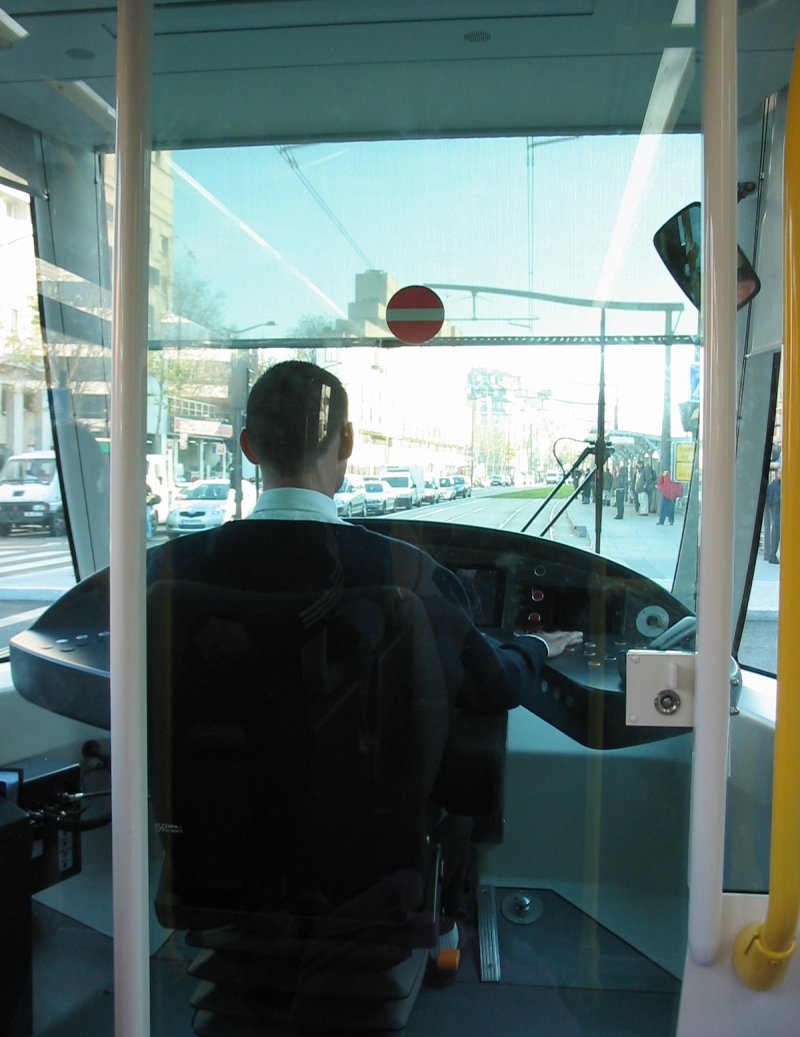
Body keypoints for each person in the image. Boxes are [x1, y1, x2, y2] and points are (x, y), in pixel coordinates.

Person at [147, 361, 581, 976]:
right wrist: (540, 647)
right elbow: (495, 684)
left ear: (247, 448)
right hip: (367, 867)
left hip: (217, 855)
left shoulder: (169, 570)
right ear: (347, 443)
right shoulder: (409, 573)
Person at [765, 467, 781, 563]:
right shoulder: (772, 486)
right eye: (780, 473)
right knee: (775, 533)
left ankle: (772, 554)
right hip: (776, 511)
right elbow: (770, 499)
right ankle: (772, 554)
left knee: (776, 533)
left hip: (777, 511)